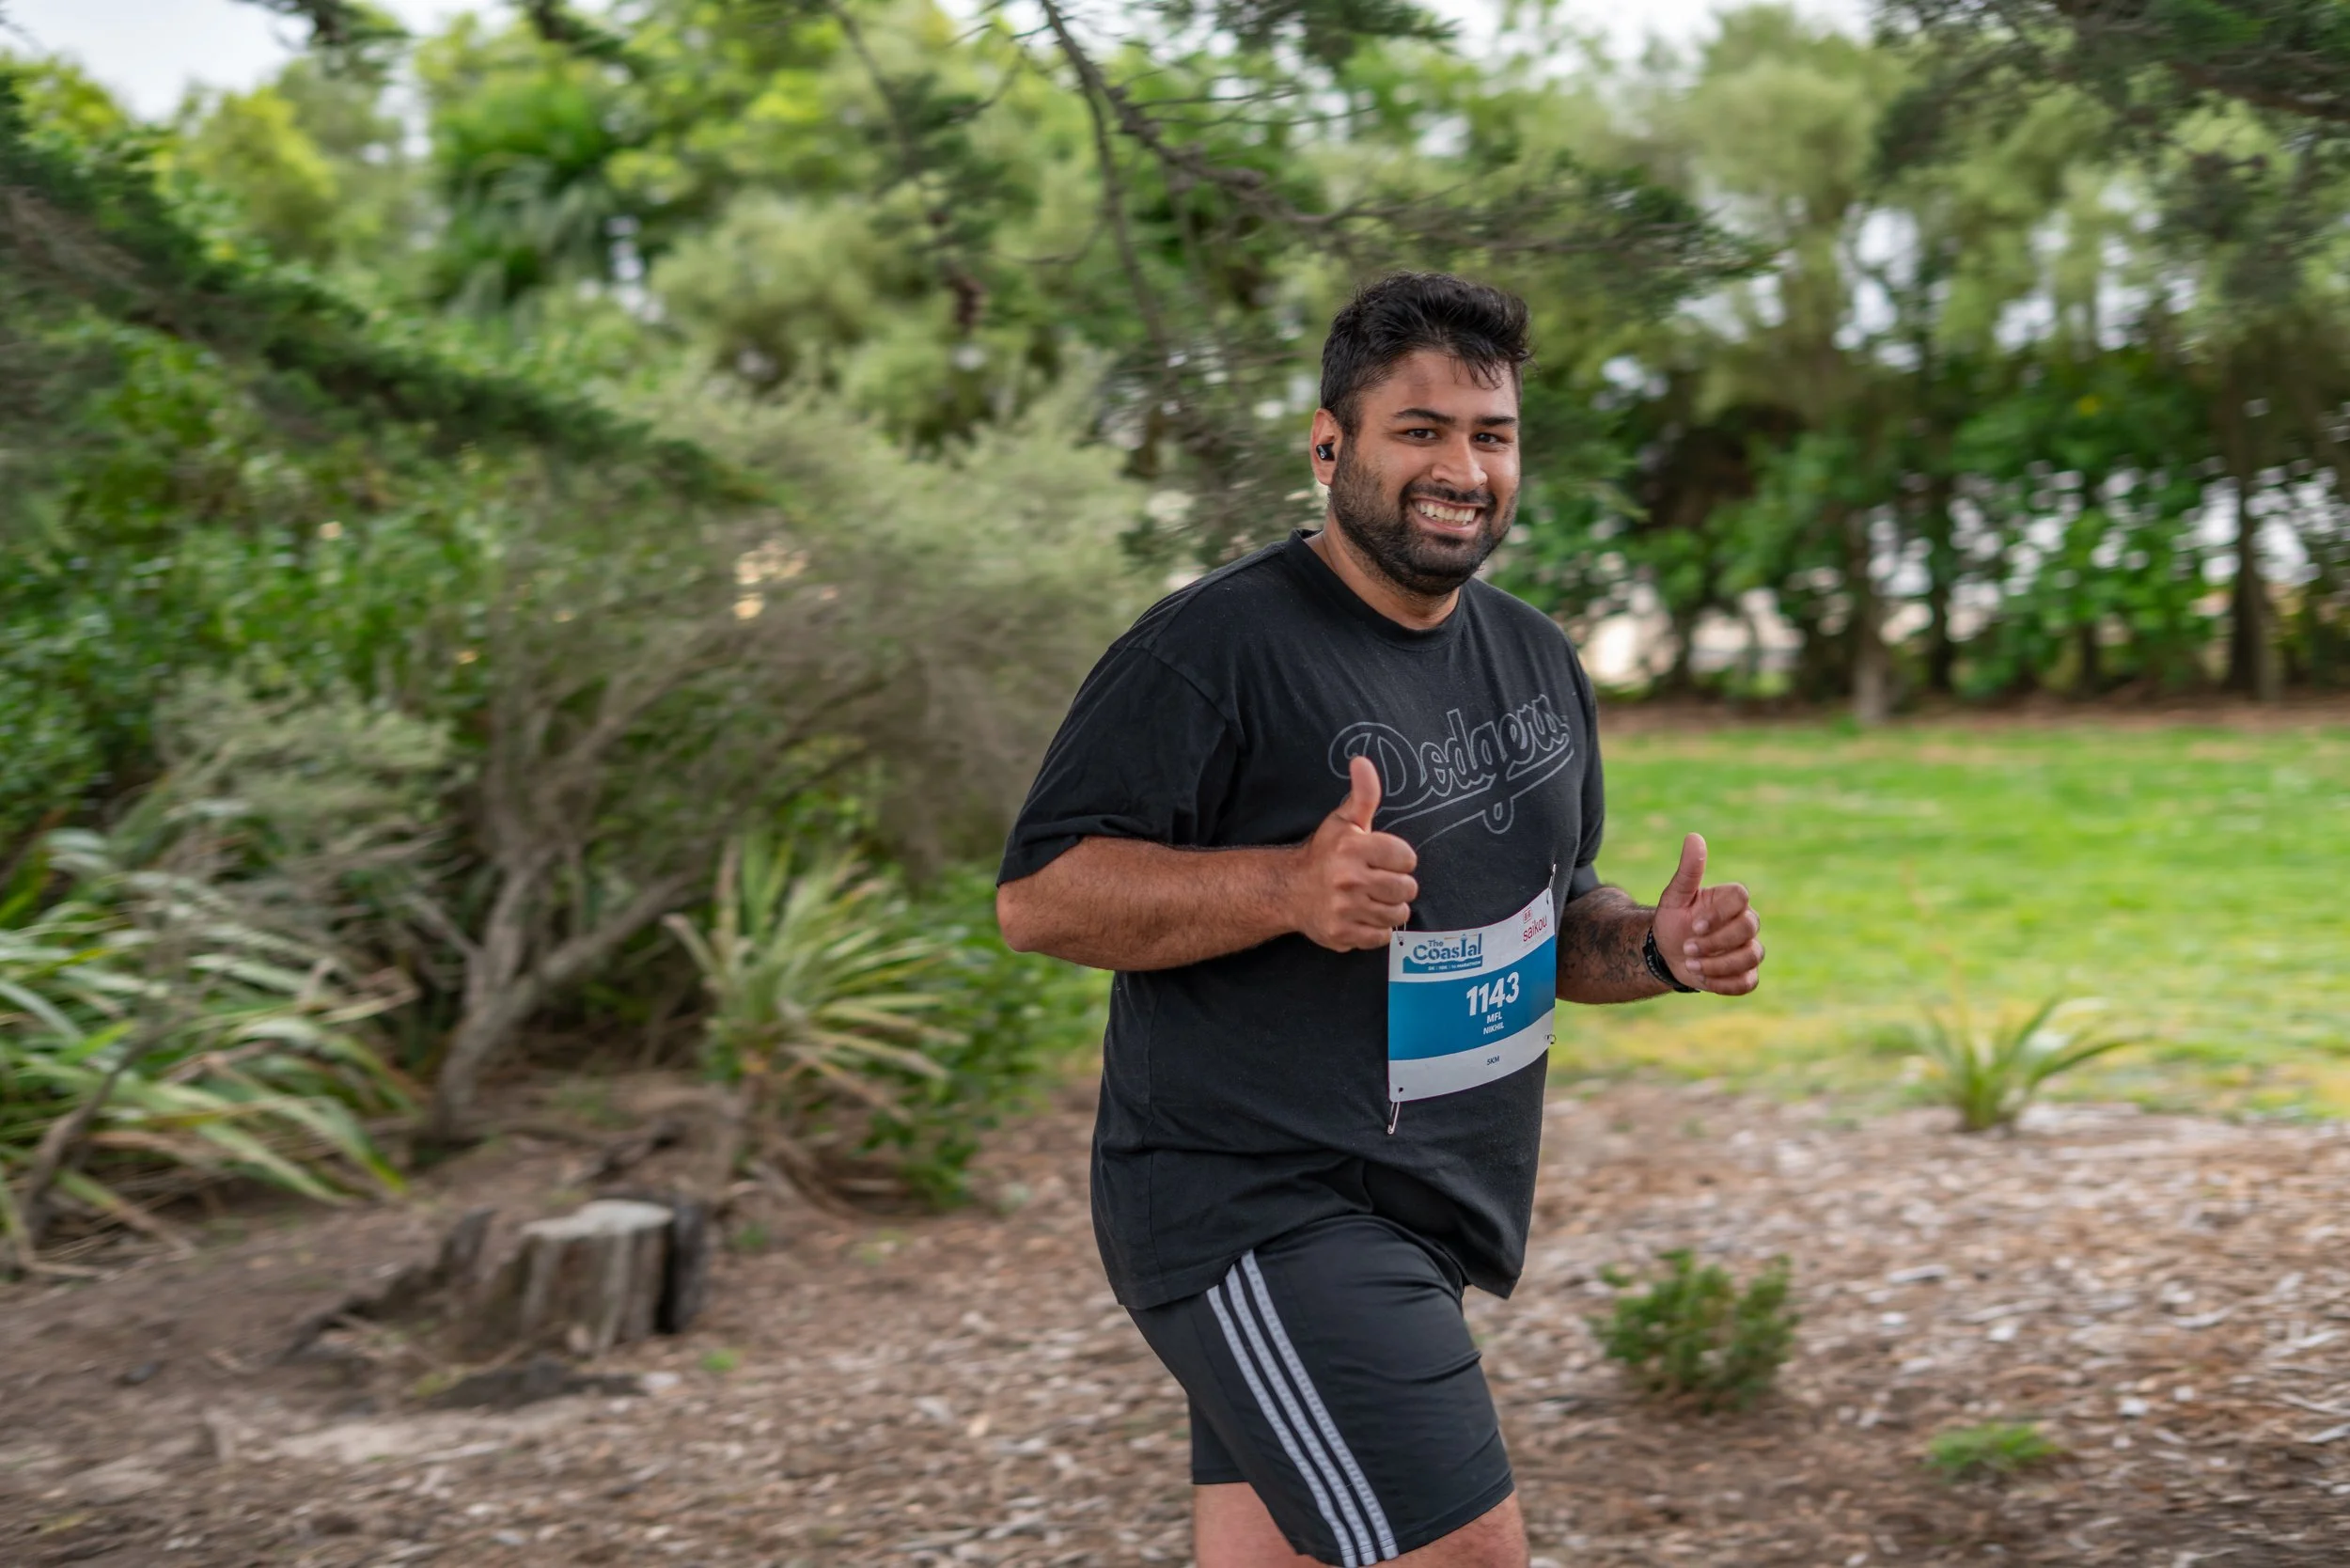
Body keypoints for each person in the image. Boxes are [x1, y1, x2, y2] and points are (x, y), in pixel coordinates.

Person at [995, 272, 1767, 1568]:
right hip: (1260, 1205)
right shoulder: (1212, 651)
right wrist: (1287, 889)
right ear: (1329, 445)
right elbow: (1040, 897)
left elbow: (1551, 914)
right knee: (1464, 1551)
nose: (1462, 467)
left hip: (1429, 1205)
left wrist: (1656, 950)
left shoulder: (1532, 658)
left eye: (1491, 434)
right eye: (1420, 430)